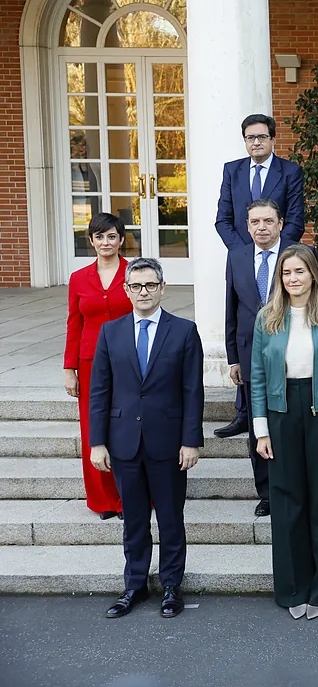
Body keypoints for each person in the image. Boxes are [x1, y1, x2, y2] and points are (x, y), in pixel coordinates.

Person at [88, 257, 204, 619]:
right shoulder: (110, 332)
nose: (143, 292)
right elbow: (99, 391)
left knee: (170, 518)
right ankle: (134, 585)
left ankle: (171, 586)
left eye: (150, 285)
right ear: (126, 290)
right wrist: (97, 441)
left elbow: (192, 391)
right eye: (136, 286)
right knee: (134, 520)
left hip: (168, 442)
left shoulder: (184, 331)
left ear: (162, 288)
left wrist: (191, 441)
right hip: (123, 442)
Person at [251, 245, 318, 620]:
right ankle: (294, 586)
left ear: (313, 274)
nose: (292, 279)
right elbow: (258, 378)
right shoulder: (267, 318)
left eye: (299, 271)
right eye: (286, 273)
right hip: (281, 413)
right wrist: (260, 429)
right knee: (286, 500)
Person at [64, 213, 130, 520]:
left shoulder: (134, 273)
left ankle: (130, 494)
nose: (106, 242)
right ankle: (104, 499)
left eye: (112, 236)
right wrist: (69, 368)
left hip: (130, 360)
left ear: (121, 239)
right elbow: (74, 324)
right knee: (95, 427)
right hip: (90, 363)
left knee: (129, 424)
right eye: (100, 237)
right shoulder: (79, 278)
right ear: (91, 241)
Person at [220, 199, 283, 516]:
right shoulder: (237, 256)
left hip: (290, 353)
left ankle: (291, 485)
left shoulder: (296, 254)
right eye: (255, 222)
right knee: (259, 423)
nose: (262, 227)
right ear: (247, 226)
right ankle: (267, 492)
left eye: (268, 221)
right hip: (248, 352)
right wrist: (233, 358)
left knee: (287, 421)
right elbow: (231, 308)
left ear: (280, 224)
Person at [215, 114, 305, 249]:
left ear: (272, 139)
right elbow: (223, 219)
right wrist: (243, 251)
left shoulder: (291, 172)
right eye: (250, 138)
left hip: (279, 256)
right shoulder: (231, 170)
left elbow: (295, 220)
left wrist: (275, 250)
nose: (256, 143)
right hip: (240, 254)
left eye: (262, 137)